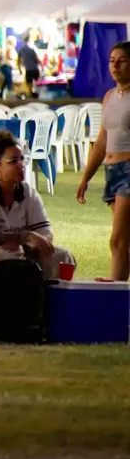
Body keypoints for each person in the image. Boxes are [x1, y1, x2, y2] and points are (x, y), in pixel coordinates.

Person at [0, 130, 74, 280]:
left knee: (63, 256)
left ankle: (53, 301)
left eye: (22, 159)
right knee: (12, 255)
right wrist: (26, 236)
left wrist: (28, 246)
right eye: (13, 161)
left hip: (22, 250)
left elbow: (45, 234)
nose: (20, 165)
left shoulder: (28, 192)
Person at [78, 42, 130, 281]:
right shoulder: (109, 97)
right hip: (112, 171)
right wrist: (86, 177)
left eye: (122, 60)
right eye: (112, 60)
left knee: (117, 239)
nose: (115, 65)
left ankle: (115, 290)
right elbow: (101, 142)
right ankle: (120, 293)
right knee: (124, 239)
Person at [17, 33, 41, 98]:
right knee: (37, 82)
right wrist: (41, 64)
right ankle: (36, 95)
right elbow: (37, 59)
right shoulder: (33, 48)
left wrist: (19, 69)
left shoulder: (21, 49)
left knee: (29, 83)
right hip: (35, 68)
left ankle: (30, 94)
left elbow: (18, 60)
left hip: (28, 69)